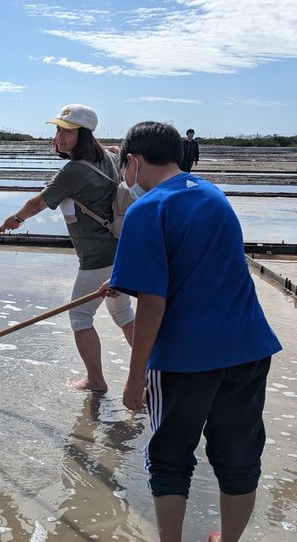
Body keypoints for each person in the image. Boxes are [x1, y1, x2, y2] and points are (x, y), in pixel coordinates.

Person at [105, 121, 281, 542]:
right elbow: (199, 263)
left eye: (124, 165)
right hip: (247, 346)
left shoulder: (145, 209)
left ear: (133, 160)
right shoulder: (213, 194)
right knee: (238, 453)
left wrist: (134, 377)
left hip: (186, 358)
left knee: (169, 456)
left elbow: (151, 304)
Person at [2, 104, 134, 391]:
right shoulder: (109, 157)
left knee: (80, 316)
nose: (60, 137)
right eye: (58, 130)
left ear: (84, 135)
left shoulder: (73, 171)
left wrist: (16, 219)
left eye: (68, 132)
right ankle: (152, 368)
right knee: (122, 312)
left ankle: (95, 380)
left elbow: (39, 202)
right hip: (120, 252)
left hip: (97, 259)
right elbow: (116, 150)